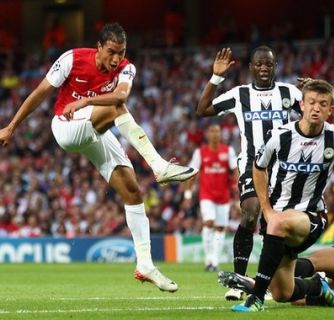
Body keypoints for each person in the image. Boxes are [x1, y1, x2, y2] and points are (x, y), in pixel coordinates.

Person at [0, 23, 198, 292]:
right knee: (116, 108)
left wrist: (84, 102)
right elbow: (40, 93)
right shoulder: (72, 59)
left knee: (132, 190)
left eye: (121, 52)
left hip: (94, 126)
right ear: (99, 47)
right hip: (65, 127)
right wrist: (11, 127)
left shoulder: (126, 67)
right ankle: (159, 165)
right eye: (111, 52)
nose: (116, 58)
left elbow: (122, 94)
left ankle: (145, 265)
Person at [218, 79, 334, 312]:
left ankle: (256, 299)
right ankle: (318, 287)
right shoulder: (280, 135)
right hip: (276, 219)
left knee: (280, 223)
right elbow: (258, 166)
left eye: (323, 104)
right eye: (312, 102)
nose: (316, 108)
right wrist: (267, 209)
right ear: (301, 105)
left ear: (330, 110)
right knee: (283, 292)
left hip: (311, 216)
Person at [197, 46, 302, 300]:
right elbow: (202, 109)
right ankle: (238, 281)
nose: (264, 68)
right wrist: (216, 78)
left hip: (285, 168)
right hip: (253, 165)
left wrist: (313, 90)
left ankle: (268, 283)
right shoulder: (239, 94)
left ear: (275, 66)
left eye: (269, 64)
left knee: (274, 225)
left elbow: (317, 114)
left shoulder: (290, 92)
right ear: (251, 68)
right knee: (250, 213)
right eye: (259, 64)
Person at [184, 123, 238, 272]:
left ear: (221, 134)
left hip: (223, 196)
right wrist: (188, 194)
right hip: (206, 195)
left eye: (217, 131)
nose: (215, 134)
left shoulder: (228, 151)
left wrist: (237, 185)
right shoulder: (200, 152)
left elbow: (235, 170)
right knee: (209, 222)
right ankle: (208, 259)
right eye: (212, 131)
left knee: (220, 228)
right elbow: (192, 173)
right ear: (208, 134)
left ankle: (215, 260)